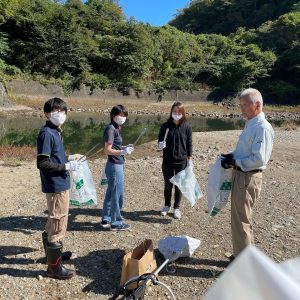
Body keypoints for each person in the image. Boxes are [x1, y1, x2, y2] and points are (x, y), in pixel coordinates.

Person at [221, 88, 274, 260]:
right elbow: (245, 151)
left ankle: (243, 262)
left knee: (241, 220)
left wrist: (237, 162)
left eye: (244, 105)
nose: (241, 109)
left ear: (257, 105)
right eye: (240, 105)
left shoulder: (262, 128)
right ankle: (243, 255)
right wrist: (232, 156)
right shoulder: (251, 124)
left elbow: (259, 158)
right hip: (242, 175)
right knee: (240, 218)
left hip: (248, 177)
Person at [37, 97, 77, 279]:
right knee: (58, 222)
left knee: (53, 219)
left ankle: (52, 257)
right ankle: (54, 269)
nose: (60, 115)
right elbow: (43, 163)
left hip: (60, 182)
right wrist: (65, 167)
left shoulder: (56, 131)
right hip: (55, 185)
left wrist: (70, 160)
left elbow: (55, 157)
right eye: (56, 111)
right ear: (47, 113)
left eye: (62, 111)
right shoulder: (46, 133)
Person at [101, 105, 134, 231]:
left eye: (124, 115)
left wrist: (124, 148)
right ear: (113, 115)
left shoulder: (116, 128)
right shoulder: (111, 129)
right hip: (115, 165)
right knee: (117, 194)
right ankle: (116, 222)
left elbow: (114, 145)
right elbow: (107, 150)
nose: (122, 117)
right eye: (119, 115)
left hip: (114, 165)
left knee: (111, 192)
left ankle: (106, 218)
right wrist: (123, 152)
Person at [158, 102, 193, 219]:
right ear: (171, 112)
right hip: (167, 161)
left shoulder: (187, 127)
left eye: (179, 112)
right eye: (174, 112)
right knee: (168, 185)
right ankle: (166, 206)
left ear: (182, 113)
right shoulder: (165, 126)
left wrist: (190, 159)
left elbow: (189, 143)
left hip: (181, 161)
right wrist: (160, 144)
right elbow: (160, 140)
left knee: (179, 186)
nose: (176, 114)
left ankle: (176, 208)